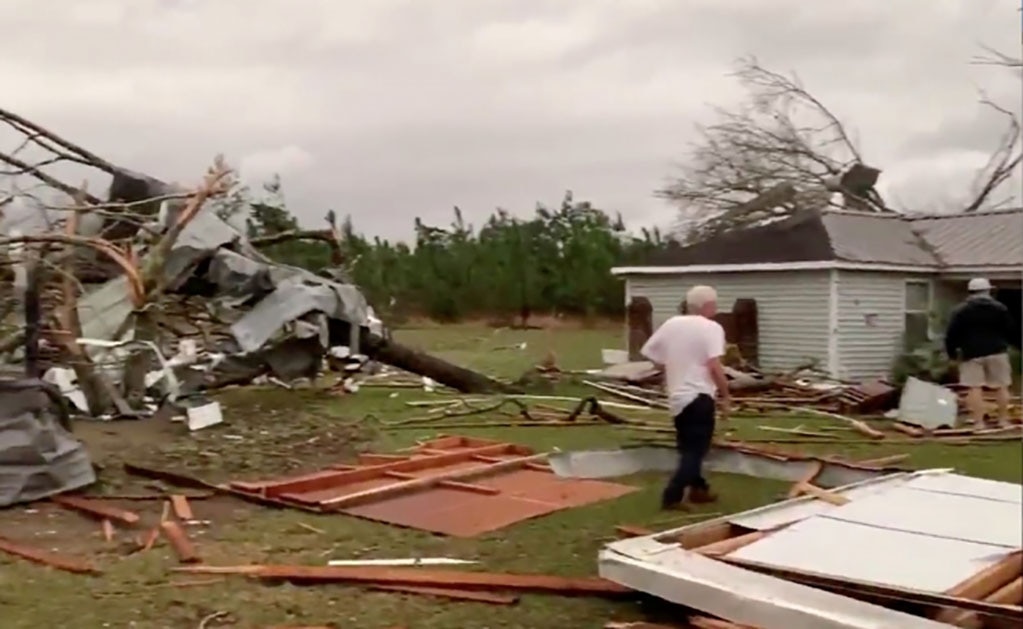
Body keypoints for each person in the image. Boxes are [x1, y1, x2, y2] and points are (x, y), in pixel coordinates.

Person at [640, 285, 730, 510]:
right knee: (696, 450)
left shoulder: (672, 324)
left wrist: (672, 368)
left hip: (678, 397)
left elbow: (650, 352)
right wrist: (726, 394)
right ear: (708, 305)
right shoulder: (712, 328)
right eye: (714, 305)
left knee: (688, 446)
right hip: (699, 396)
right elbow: (714, 365)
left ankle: (699, 489)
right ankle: (672, 496)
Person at [944, 278, 1015, 426]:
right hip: (997, 351)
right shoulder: (1000, 308)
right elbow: (1010, 330)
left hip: (971, 353)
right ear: (988, 290)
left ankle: (978, 423)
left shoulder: (961, 310)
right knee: (1001, 386)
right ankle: (1003, 420)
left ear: (970, 292)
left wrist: (951, 354)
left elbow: (952, 334)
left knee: (974, 387)